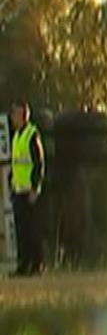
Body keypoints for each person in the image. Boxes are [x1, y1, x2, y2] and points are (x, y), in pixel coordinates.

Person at [8, 102, 44, 276]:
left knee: (32, 230)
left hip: (29, 191)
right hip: (18, 190)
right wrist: (11, 183)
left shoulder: (31, 135)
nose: (12, 117)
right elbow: (16, 163)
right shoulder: (16, 136)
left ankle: (36, 264)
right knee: (21, 231)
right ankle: (23, 264)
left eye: (15, 114)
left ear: (23, 115)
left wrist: (36, 187)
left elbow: (39, 162)